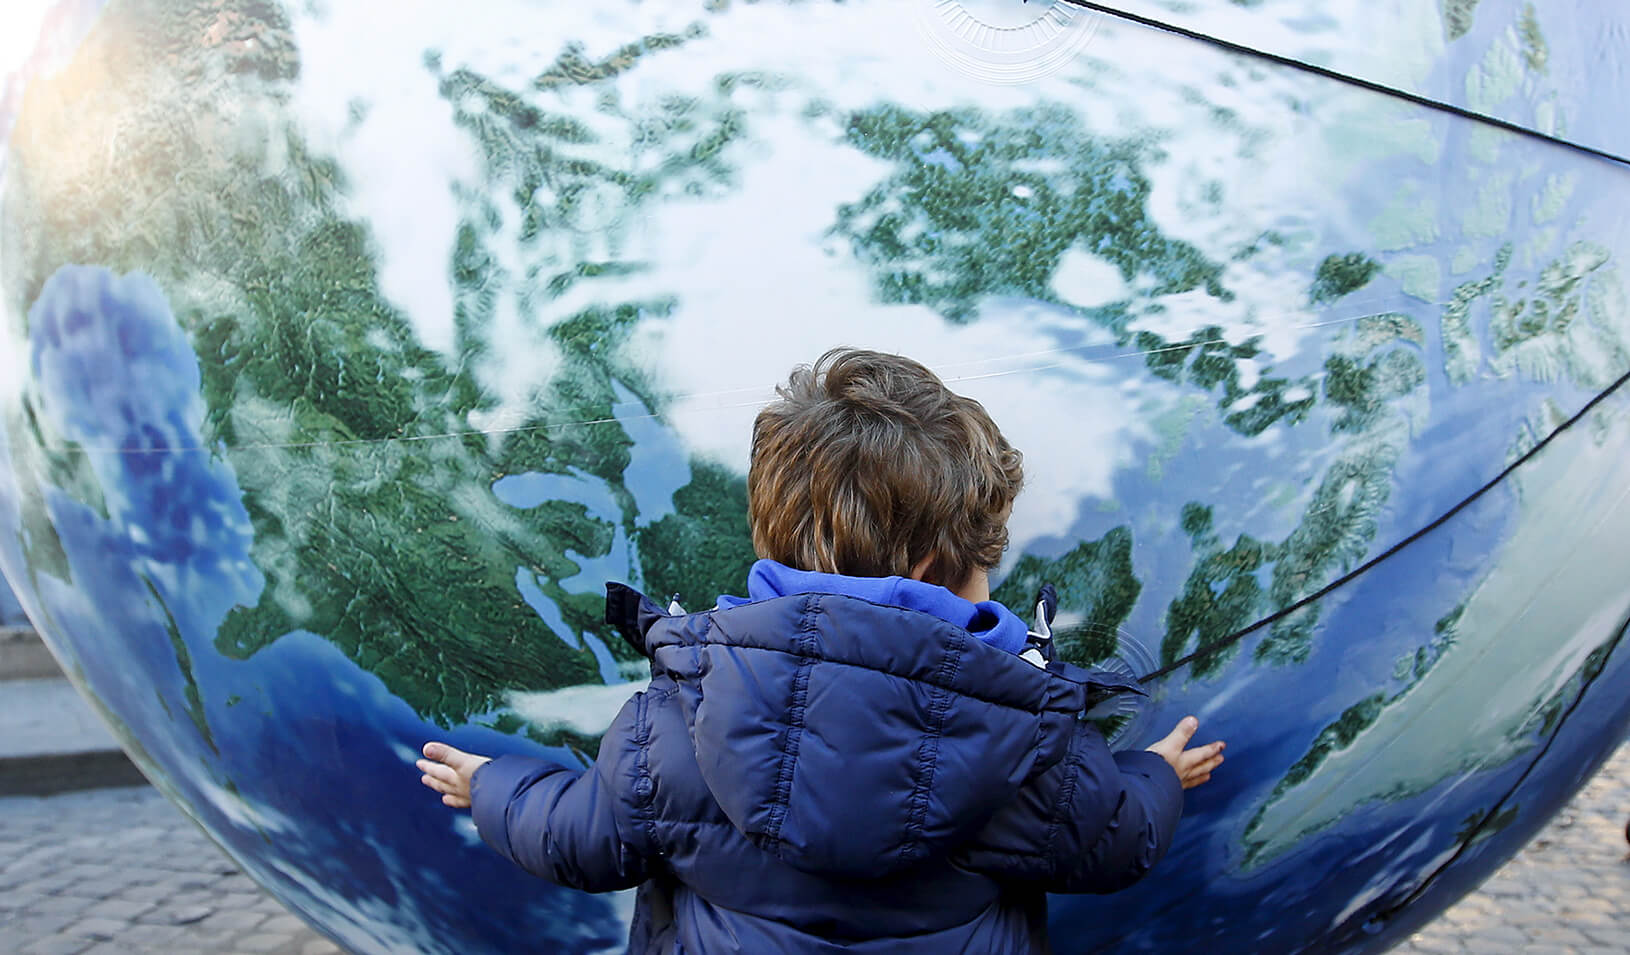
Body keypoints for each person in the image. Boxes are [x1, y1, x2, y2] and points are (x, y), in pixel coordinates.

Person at [418, 347, 1225, 953]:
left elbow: (576, 837)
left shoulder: (673, 726)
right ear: (931, 572)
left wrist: (492, 784)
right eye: (986, 565)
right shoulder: (1034, 750)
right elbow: (1120, 841)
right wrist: (1160, 770)